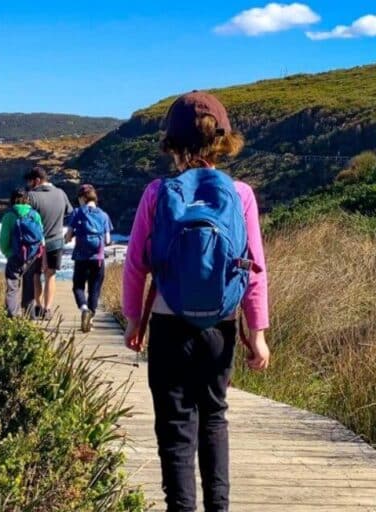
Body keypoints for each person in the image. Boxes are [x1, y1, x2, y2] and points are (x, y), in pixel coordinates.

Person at [121, 91, 270, 512]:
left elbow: (136, 263)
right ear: (222, 140)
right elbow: (254, 268)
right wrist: (258, 333)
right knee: (214, 417)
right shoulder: (240, 193)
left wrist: (134, 320)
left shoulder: (158, 191)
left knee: (175, 426)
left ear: (173, 144)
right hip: (220, 326)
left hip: (169, 326)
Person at [24, 167, 73, 319]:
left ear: (37, 180)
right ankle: (48, 309)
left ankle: (38, 306)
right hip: (56, 241)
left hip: (36, 243)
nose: (29, 185)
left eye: (30, 182)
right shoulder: (61, 193)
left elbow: (25, 219)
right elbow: (70, 212)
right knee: (50, 275)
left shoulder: (31, 196)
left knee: (36, 274)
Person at [64, 184, 113, 333]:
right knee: (94, 289)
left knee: (78, 287)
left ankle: (84, 308)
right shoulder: (104, 215)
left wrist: (69, 237)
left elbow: (68, 236)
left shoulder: (77, 212)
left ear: (82, 198)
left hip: (81, 258)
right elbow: (108, 240)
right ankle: (90, 320)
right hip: (98, 259)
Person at [0, 188, 45, 317]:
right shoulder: (35, 215)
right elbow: (41, 236)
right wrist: (37, 253)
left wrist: (7, 253)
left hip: (14, 255)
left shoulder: (9, 216)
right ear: (27, 200)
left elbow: (4, 239)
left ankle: (13, 315)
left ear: (12, 200)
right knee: (29, 285)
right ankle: (30, 316)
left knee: (12, 286)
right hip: (32, 256)